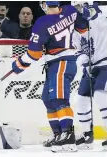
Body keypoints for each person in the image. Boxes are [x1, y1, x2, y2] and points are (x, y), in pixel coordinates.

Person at [11, 1, 88, 152]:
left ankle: (68, 135)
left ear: (44, 5)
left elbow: (34, 53)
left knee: (59, 99)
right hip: (57, 63)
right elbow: (84, 28)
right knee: (48, 98)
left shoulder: (42, 22)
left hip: (62, 62)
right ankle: (58, 134)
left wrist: (19, 64)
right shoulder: (70, 10)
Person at [73, 1, 107, 150]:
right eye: (77, 7)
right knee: (80, 99)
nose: (80, 10)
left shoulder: (102, 17)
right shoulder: (77, 28)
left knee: (100, 95)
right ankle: (87, 134)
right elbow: (77, 49)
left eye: (82, 6)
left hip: (105, 64)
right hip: (90, 68)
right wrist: (81, 58)